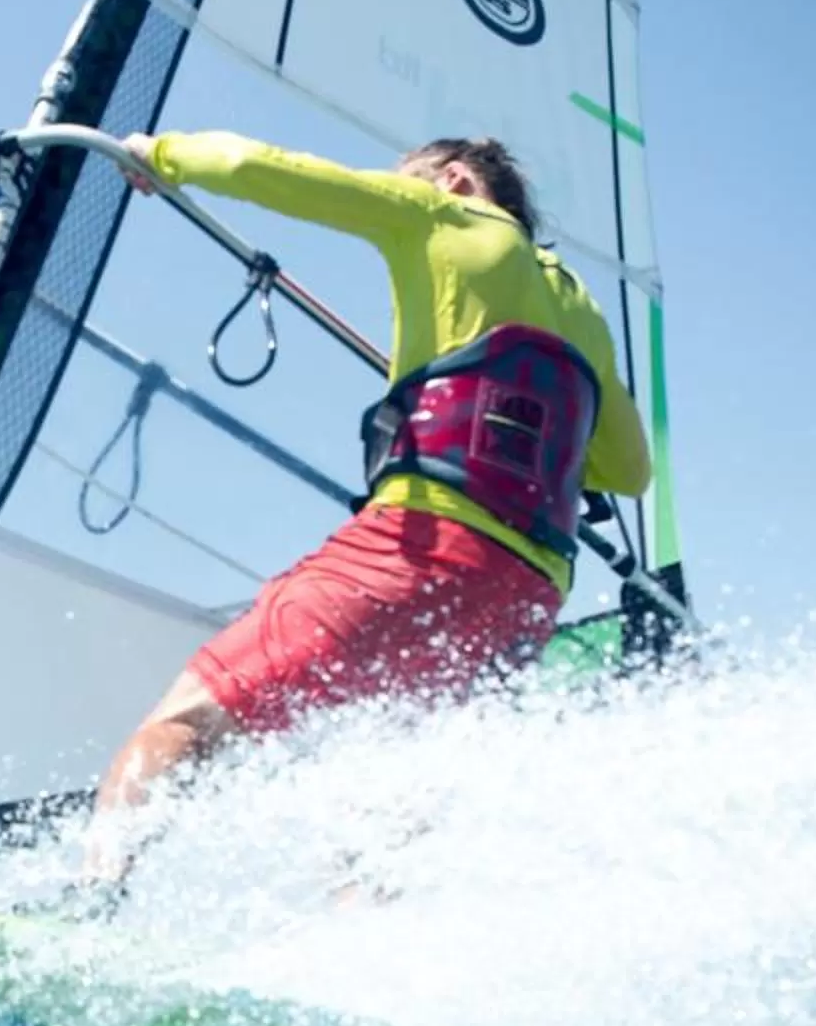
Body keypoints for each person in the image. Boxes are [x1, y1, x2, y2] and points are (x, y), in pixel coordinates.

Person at [89, 128, 651, 851]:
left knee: (185, 721)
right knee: (378, 804)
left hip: (421, 545)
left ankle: (91, 901)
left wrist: (156, 156)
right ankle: (362, 943)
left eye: (408, 180)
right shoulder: (582, 312)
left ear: (451, 181)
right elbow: (627, 471)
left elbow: (275, 168)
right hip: (526, 598)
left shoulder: (449, 217)